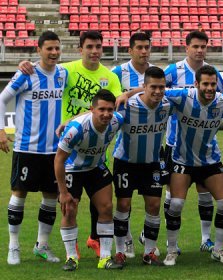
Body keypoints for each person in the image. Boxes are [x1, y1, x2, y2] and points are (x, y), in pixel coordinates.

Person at [19, 31, 122, 258]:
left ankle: (95, 240)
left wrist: (75, 118)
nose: (94, 51)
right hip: (69, 150)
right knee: (69, 203)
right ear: (80, 49)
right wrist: (26, 64)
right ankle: (71, 248)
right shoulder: (67, 71)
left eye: (98, 46)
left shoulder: (111, 77)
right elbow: (45, 68)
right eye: (90, 47)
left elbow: (114, 105)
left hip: (95, 151)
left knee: (101, 204)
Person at [161, 65, 223, 266]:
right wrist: (126, 96)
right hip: (183, 160)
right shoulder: (182, 96)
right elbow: (154, 90)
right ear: (196, 83)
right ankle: (171, 250)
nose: (209, 88)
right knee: (176, 204)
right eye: (205, 84)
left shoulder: (222, 101)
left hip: (210, 160)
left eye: (213, 84)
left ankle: (217, 249)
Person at [0, 31, 67, 265]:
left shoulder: (63, 73)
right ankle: (14, 246)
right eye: (49, 48)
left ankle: (42, 245)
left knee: (51, 197)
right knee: (19, 194)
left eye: (57, 48)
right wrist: (0, 130)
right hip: (27, 148)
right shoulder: (26, 74)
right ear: (38, 50)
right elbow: (2, 99)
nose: (54, 53)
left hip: (54, 150)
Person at [163, 30, 223, 253]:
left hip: (205, 143)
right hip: (175, 142)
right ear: (186, 47)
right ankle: (173, 243)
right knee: (173, 195)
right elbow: (157, 92)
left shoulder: (213, 72)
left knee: (205, 191)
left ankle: (206, 239)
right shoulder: (172, 71)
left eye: (203, 47)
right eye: (196, 46)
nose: (200, 51)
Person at [55, 90, 124, 271]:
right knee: (69, 209)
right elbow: (59, 159)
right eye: (101, 109)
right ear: (92, 109)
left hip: (95, 167)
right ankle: (71, 257)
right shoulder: (76, 129)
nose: (106, 114)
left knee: (107, 207)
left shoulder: (117, 121)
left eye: (110, 109)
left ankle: (105, 258)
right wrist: (63, 192)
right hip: (72, 169)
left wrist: (133, 91)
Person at [113, 66, 175, 266]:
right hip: (125, 162)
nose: (158, 92)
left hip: (152, 164)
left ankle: (149, 252)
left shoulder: (167, 104)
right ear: (144, 87)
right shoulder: (127, 106)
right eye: (153, 87)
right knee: (123, 204)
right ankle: (120, 251)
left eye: (161, 87)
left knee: (154, 206)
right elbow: (101, 116)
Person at [111, 32, 156, 259]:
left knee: (153, 203)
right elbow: (107, 101)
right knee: (124, 202)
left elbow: (167, 92)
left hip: (152, 147)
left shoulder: (158, 71)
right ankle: (125, 240)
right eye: (139, 47)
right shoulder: (118, 72)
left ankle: (149, 246)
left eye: (147, 47)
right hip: (125, 146)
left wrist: (131, 92)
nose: (144, 51)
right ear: (130, 50)